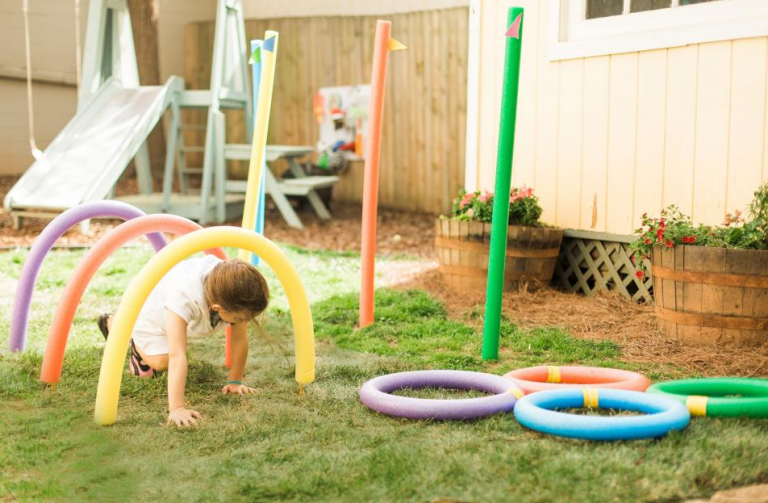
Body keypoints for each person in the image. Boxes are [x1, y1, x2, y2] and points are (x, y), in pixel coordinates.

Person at [97, 256, 269, 427]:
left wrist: (235, 381)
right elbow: (177, 355)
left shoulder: (232, 291)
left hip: (175, 313)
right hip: (150, 315)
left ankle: (127, 331)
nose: (245, 322)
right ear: (217, 308)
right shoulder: (185, 297)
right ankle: (121, 329)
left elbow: (239, 339)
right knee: (162, 361)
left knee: (176, 343)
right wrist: (177, 408)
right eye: (241, 319)